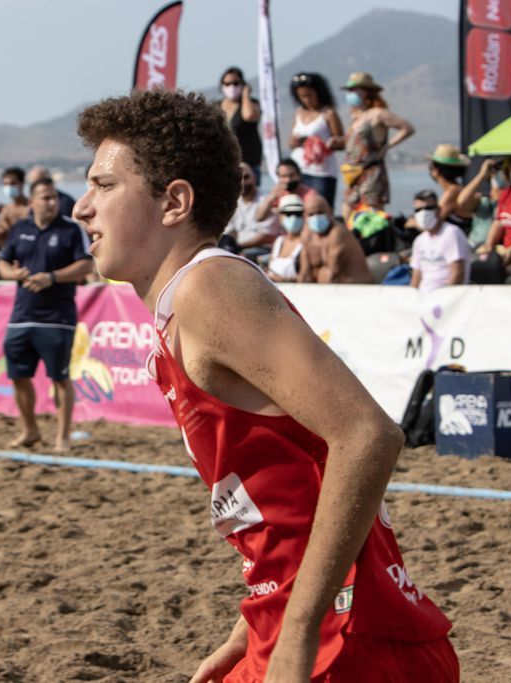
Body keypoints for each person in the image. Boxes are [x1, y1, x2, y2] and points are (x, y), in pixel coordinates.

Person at [73, 89, 455, 682]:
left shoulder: (209, 290)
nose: (81, 207)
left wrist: (297, 635)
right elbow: (292, 492)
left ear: (174, 202)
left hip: (345, 642)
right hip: (303, 623)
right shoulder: (186, 307)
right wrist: (252, 626)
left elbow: (367, 435)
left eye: (102, 185)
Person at [0, 178, 93, 452]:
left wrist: (52, 277)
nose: (51, 202)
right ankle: (30, 430)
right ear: (32, 201)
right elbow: (3, 261)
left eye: (53, 197)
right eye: (45, 197)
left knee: (60, 378)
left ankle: (62, 437)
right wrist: (12, 274)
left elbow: (86, 264)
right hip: (22, 314)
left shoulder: (70, 230)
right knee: (18, 376)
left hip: (57, 317)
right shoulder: (20, 229)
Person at [340, 72, 415, 216]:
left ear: (367, 92)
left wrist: (388, 145)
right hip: (353, 173)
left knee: (371, 214)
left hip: (371, 172)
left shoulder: (378, 113)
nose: (350, 94)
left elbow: (407, 128)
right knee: (348, 211)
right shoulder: (355, 116)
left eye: (354, 90)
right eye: (349, 90)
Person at [289, 73, 344, 206]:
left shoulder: (328, 113)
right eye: (303, 97)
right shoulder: (299, 113)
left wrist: (322, 144)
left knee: (321, 207)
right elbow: (290, 141)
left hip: (322, 171)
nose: (307, 100)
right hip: (299, 169)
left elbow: (342, 141)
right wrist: (296, 142)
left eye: (310, 95)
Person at [299, 193, 374, 284]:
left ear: (330, 212)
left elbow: (332, 275)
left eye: (320, 212)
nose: (316, 217)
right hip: (331, 287)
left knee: (325, 274)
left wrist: (316, 274)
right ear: (304, 217)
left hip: (356, 286)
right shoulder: (307, 236)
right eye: (311, 214)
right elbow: (304, 274)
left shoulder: (337, 233)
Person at [407, 190, 471, 292]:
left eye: (428, 208)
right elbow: (416, 276)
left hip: (447, 298)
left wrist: (442, 298)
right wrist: (412, 298)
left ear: (438, 210)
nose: (423, 213)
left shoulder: (451, 233)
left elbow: (457, 274)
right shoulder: (419, 241)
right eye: (418, 210)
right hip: (423, 298)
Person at [222, 162, 272, 261]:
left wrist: (238, 246)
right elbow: (230, 231)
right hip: (238, 250)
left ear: (254, 178)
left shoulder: (266, 200)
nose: (242, 182)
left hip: (260, 250)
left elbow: (267, 236)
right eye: (238, 178)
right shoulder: (233, 201)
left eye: (246, 177)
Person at [219, 67, 262, 179]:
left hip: (248, 164)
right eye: (227, 84)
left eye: (235, 83)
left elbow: (249, 116)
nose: (231, 87)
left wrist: (246, 94)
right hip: (224, 164)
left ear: (243, 84)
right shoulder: (217, 106)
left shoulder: (252, 103)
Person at [255, 159, 319, 233]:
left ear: (299, 175)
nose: (288, 180)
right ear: (279, 178)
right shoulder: (277, 194)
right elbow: (259, 217)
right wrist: (270, 199)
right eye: (284, 176)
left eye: (291, 175)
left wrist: (281, 211)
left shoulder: (310, 194)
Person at [456, 157, 505, 248]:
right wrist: (482, 174)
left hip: (496, 248)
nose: (500, 175)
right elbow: (462, 201)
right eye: (497, 172)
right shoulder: (482, 199)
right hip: (475, 246)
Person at [264, 193, 305, 283]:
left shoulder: (306, 243)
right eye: (288, 213)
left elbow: (309, 278)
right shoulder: (279, 241)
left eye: (298, 213)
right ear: (280, 216)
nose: (293, 217)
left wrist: (285, 280)